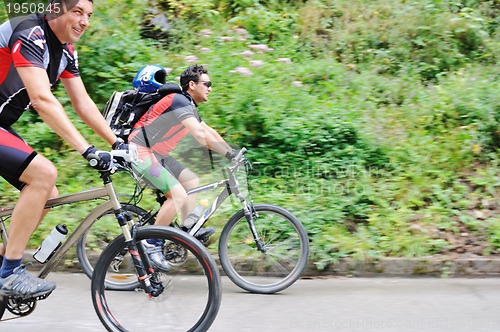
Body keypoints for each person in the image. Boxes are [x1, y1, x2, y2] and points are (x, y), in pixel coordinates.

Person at [0, 0, 128, 298]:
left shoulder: (67, 50)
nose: (85, 21)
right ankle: (10, 272)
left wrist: (117, 143)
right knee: (43, 174)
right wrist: (87, 150)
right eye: (77, 12)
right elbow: (42, 100)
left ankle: (5, 261)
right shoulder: (29, 30)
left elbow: (82, 104)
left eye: (89, 15)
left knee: (47, 193)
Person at [128, 64, 238, 271]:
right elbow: (200, 135)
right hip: (140, 152)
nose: (210, 88)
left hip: (157, 154)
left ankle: (187, 228)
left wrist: (233, 152)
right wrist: (227, 154)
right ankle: (150, 243)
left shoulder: (188, 105)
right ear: (192, 85)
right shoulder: (178, 101)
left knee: (191, 181)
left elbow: (209, 131)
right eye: (207, 84)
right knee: (177, 194)